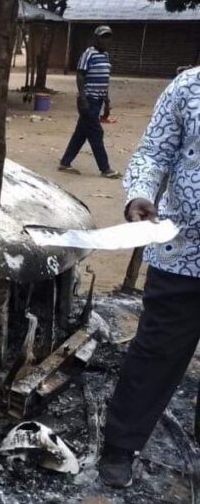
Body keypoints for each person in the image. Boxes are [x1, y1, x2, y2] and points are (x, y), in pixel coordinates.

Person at [98, 66, 200, 488]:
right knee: (156, 352)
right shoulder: (189, 86)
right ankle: (120, 445)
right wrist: (140, 192)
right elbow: (155, 153)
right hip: (185, 253)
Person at [58, 25, 121, 178]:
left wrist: (106, 102)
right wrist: (83, 98)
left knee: (81, 133)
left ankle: (65, 163)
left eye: (108, 37)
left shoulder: (105, 55)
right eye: (103, 37)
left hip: (98, 100)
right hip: (89, 99)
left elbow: (104, 80)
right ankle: (105, 168)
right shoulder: (88, 54)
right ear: (96, 38)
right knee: (96, 132)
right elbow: (80, 76)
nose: (105, 40)